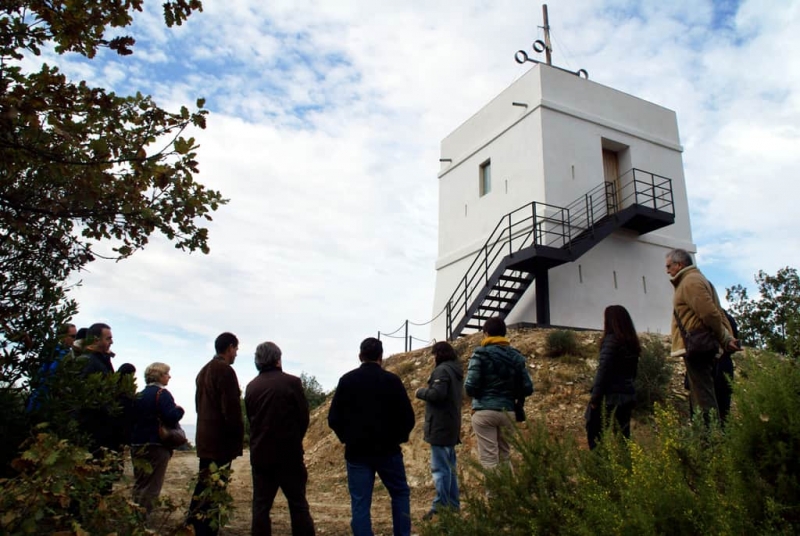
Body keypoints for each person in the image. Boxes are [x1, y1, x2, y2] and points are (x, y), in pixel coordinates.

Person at [328, 337, 415, 536]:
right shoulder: (392, 381)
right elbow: (408, 417)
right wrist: (398, 438)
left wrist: (347, 438)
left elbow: (334, 418)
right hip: (389, 450)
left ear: (360, 356)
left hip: (357, 451)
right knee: (400, 494)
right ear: (381, 357)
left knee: (360, 502)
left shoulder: (347, 380)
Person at [245, 342, 315, 536]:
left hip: (261, 455)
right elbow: (303, 417)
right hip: (289, 454)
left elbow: (252, 419)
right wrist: (295, 438)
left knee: (261, 506)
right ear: (278, 359)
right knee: (298, 504)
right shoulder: (292, 383)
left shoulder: (251, 387)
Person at [666, 248, 739, 425]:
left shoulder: (690, 281)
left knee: (703, 397)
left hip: (697, 345)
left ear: (679, 264)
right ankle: (708, 437)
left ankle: (709, 440)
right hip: (700, 345)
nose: (667, 270)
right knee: (702, 395)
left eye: (669, 266)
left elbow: (710, 314)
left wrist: (725, 338)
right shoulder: (695, 280)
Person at [187, 332, 245, 536]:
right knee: (216, 486)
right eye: (236, 349)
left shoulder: (203, 371)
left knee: (205, 482)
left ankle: (194, 521)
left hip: (205, 437)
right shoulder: (225, 371)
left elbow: (197, 405)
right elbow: (231, 410)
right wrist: (237, 437)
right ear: (229, 348)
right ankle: (206, 528)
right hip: (220, 441)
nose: (236, 353)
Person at [464, 316, 533, 469]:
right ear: (504, 333)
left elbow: (470, 387)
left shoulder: (480, 354)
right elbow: (528, 387)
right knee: (505, 456)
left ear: (486, 333)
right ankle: (509, 493)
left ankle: (494, 493)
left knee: (489, 459)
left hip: (484, 411)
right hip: (508, 411)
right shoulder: (516, 355)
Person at [415, 341, 463, 521]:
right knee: (450, 469)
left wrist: (420, 392)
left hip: (440, 427)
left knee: (440, 469)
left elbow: (437, 394)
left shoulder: (442, 371)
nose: (432, 358)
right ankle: (452, 506)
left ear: (439, 354)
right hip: (451, 425)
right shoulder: (456, 371)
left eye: (434, 354)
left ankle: (440, 507)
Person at [131, 362, 185, 514]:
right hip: (156, 444)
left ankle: (133, 516)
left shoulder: (139, 395)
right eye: (167, 373)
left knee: (140, 483)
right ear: (160, 376)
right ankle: (142, 521)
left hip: (137, 443)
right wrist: (179, 410)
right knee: (152, 486)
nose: (169, 376)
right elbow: (171, 417)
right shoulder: (162, 394)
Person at [585, 305, 641, 449]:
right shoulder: (632, 343)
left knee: (595, 436)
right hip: (626, 396)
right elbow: (633, 373)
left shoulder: (611, 341)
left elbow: (603, 370)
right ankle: (625, 467)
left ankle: (600, 468)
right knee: (623, 437)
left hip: (609, 398)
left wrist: (595, 398)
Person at [26, 323, 77, 412]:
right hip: (44, 400)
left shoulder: (64, 353)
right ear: (63, 336)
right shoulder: (56, 353)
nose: (75, 339)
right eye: (73, 336)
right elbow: (52, 374)